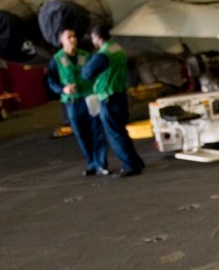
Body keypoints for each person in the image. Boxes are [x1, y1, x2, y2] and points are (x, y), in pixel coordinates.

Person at [82, 25, 145, 177]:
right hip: (120, 95)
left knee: (115, 134)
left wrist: (89, 60)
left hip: (108, 98)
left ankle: (130, 165)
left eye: (92, 38)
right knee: (121, 132)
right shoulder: (117, 49)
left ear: (97, 37)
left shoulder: (102, 55)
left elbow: (86, 73)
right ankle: (136, 162)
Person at [46, 28, 108, 177]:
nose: (73, 39)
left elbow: (96, 74)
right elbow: (51, 81)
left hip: (89, 99)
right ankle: (92, 163)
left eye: (74, 36)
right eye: (69, 37)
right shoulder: (56, 60)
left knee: (97, 132)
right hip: (73, 102)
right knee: (82, 133)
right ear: (62, 41)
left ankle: (101, 164)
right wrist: (63, 89)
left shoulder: (85, 55)